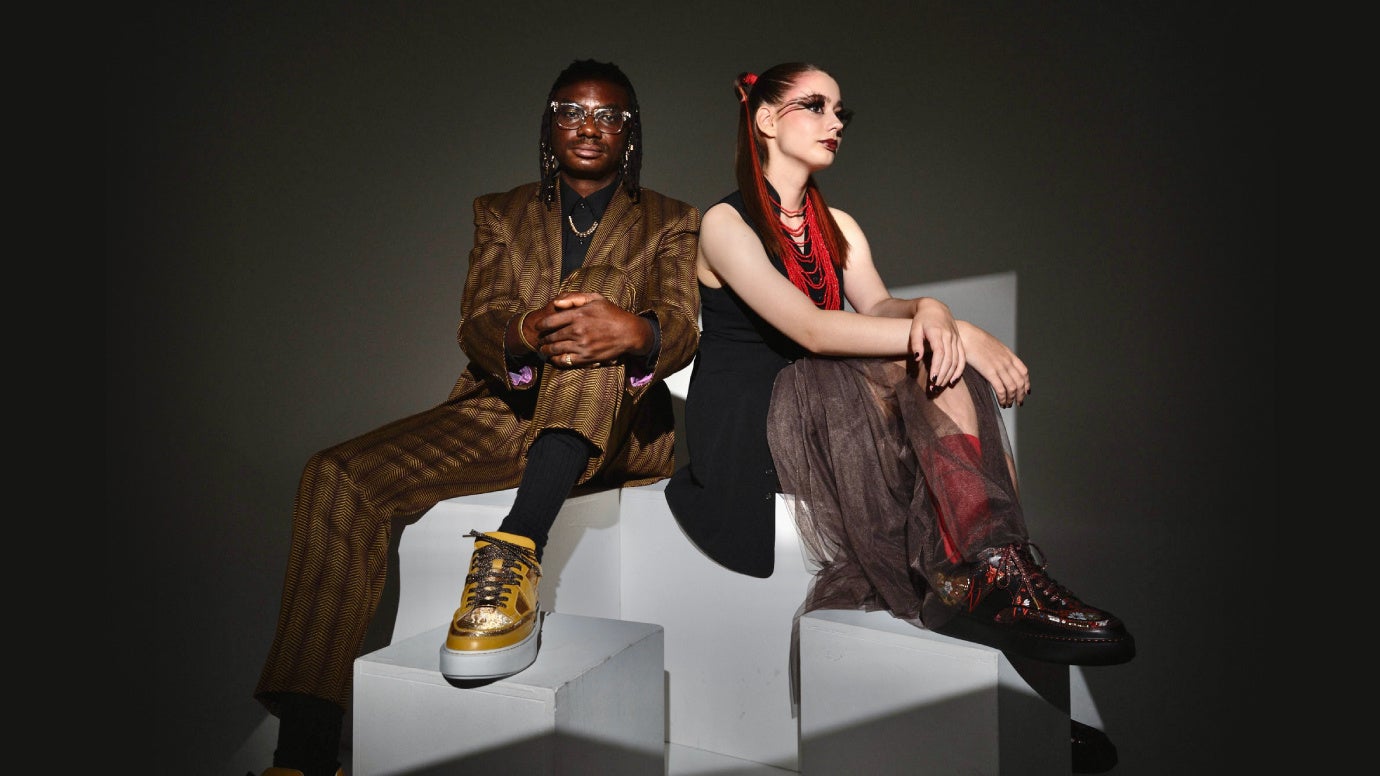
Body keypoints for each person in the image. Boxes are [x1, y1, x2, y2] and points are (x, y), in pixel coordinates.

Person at [664, 62, 1132, 773]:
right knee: (926, 363)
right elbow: (812, 330)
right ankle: (1002, 583)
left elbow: (880, 306)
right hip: (753, 420)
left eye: (841, 111)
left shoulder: (838, 225)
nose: (835, 123)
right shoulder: (726, 224)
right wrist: (955, 333)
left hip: (823, 401)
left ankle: (1002, 593)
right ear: (764, 120)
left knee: (937, 389)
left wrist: (936, 311)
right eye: (815, 106)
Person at [251, 59, 701, 776]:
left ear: (631, 131)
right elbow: (479, 319)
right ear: (550, 124)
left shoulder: (672, 219)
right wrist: (529, 329)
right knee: (335, 476)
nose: (589, 126)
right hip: (505, 409)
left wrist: (635, 331)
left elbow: (679, 318)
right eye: (572, 110)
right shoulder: (500, 210)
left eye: (608, 115)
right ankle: (303, 754)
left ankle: (514, 552)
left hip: (614, 419)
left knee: (595, 315)